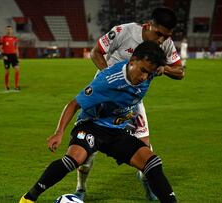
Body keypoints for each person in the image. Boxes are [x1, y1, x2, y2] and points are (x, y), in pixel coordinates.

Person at [19, 41, 177, 203]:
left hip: (116, 131)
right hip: (91, 126)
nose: (144, 77)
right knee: (73, 160)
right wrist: (59, 133)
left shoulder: (150, 73)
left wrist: (164, 68)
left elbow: (176, 72)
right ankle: (29, 198)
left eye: (149, 73)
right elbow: (74, 104)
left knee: (152, 163)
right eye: (143, 70)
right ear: (132, 60)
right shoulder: (108, 80)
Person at [75, 7, 184, 201]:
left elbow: (180, 72)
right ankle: (81, 189)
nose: (161, 40)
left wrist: (164, 68)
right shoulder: (124, 32)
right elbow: (96, 52)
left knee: (146, 150)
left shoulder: (165, 44)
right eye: (158, 34)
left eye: (165, 36)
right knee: (87, 148)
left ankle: (148, 185)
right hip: (103, 99)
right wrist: (111, 79)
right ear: (149, 24)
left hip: (132, 102)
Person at [0, 26, 20, 90]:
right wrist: (3, 55)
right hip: (6, 56)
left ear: (12, 30)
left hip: (13, 56)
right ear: (6, 31)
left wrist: (18, 56)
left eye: (10, 29)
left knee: (17, 69)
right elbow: (0, 48)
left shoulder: (15, 38)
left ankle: (16, 86)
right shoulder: (3, 38)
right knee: (7, 71)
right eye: (7, 30)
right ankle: (6, 86)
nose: (9, 31)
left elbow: (16, 48)